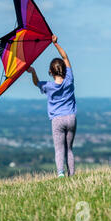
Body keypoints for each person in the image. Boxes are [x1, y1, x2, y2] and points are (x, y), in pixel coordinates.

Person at [27, 35, 77, 177]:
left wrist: (33, 72)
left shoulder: (48, 86)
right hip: (71, 118)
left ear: (50, 72)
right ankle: (71, 175)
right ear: (64, 70)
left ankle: (60, 174)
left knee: (59, 149)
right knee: (69, 149)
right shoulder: (69, 79)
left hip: (57, 120)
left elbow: (36, 83)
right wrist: (55, 43)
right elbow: (65, 57)